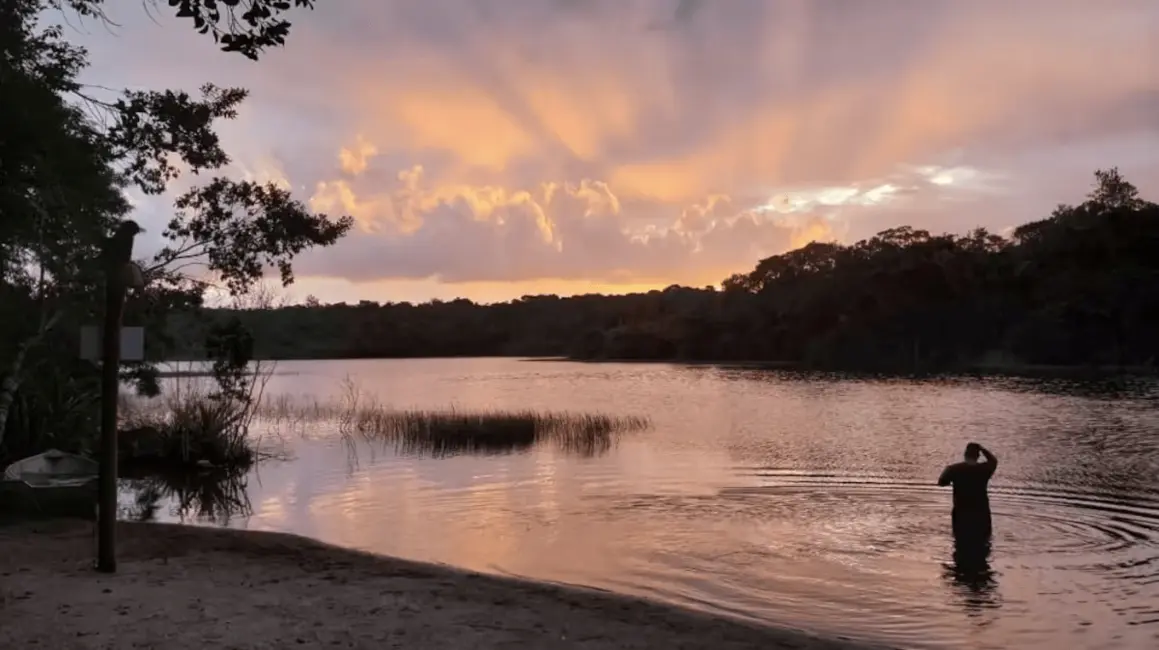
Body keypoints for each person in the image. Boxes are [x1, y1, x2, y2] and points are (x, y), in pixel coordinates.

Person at [937, 442, 998, 542]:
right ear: (978, 456)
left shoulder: (953, 469)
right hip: (981, 513)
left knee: (960, 542)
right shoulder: (984, 469)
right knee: (984, 542)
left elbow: (941, 482)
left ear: (965, 455)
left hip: (961, 513)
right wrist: (982, 449)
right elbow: (994, 461)